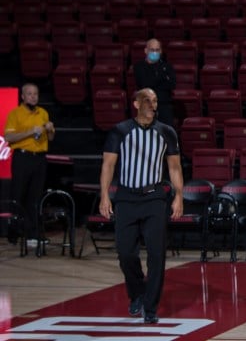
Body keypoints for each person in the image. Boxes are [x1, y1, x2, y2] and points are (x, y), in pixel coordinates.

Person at [98, 88, 184, 324]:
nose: (151, 104)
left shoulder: (166, 132)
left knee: (157, 255)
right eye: (146, 100)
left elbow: (175, 168)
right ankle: (137, 293)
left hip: (155, 197)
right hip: (126, 197)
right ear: (135, 104)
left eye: (155, 100)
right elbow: (108, 165)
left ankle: (150, 306)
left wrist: (179, 196)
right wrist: (104, 196)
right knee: (125, 253)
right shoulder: (120, 131)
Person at [4, 83, 55, 247]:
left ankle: (33, 234)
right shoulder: (15, 113)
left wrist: (51, 130)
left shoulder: (43, 113)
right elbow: (9, 138)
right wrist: (31, 131)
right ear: (23, 96)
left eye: (36, 94)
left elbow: (51, 138)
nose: (33, 97)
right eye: (30, 94)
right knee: (18, 194)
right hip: (22, 158)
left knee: (36, 197)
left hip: (39, 158)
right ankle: (14, 232)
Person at [133, 38, 176, 126]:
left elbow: (172, 84)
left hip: (164, 105)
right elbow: (144, 84)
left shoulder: (167, 66)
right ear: (146, 50)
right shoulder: (139, 67)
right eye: (152, 50)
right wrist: (162, 78)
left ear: (161, 51)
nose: (155, 52)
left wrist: (154, 81)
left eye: (157, 50)